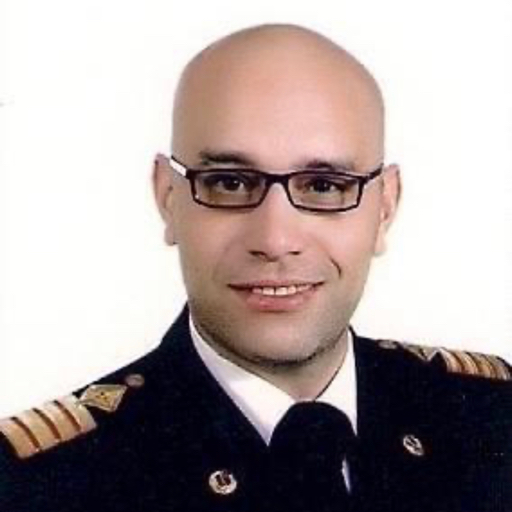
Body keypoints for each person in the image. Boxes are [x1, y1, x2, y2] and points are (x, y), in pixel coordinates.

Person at [1, 24, 510, 512]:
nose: (275, 241)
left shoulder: (490, 422)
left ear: (385, 208)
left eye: (325, 186)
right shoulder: (36, 488)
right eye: (229, 182)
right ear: (168, 199)